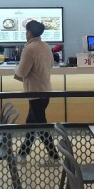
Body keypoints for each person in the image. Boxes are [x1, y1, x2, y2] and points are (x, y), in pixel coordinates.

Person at [14, 20, 59, 164]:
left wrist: (15, 68)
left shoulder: (29, 49)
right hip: (45, 92)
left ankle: (55, 157)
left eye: (26, 31)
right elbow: (51, 65)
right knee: (31, 125)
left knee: (41, 126)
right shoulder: (46, 46)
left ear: (29, 33)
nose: (25, 34)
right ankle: (22, 155)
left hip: (35, 93)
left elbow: (22, 72)